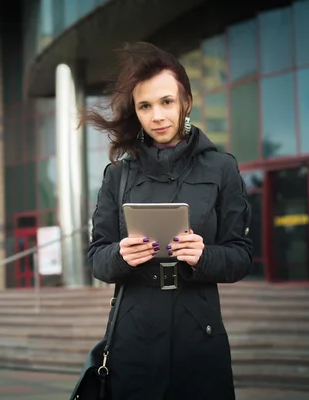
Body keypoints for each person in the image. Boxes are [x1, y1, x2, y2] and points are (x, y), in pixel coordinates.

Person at [83, 42, 253, 400]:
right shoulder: (118, 175)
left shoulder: (222, 168)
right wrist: (119, 255)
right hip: (133, 341)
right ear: (136, 111)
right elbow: (97, 256)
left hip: (199, 338)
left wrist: (203, 256)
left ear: (185, 102)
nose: (157, 116)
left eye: (166, 102)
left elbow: (240, 255)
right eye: (145, 106)